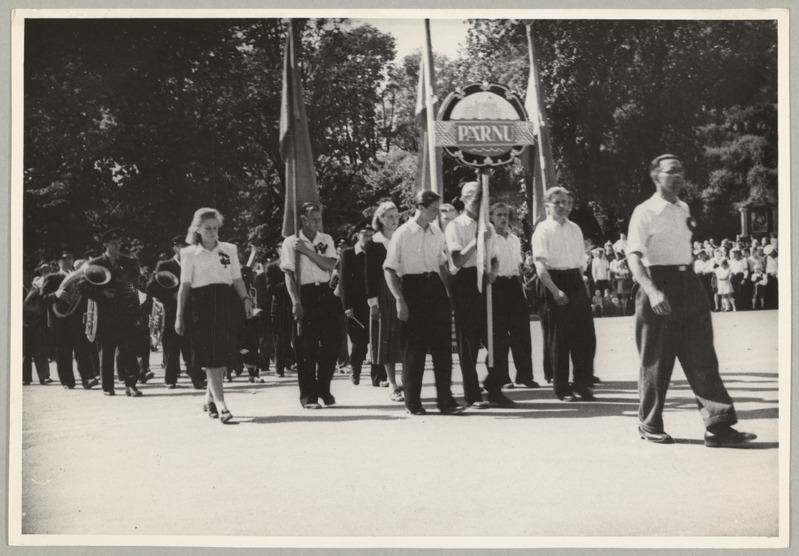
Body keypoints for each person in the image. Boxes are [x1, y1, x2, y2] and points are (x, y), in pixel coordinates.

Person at [627, 154, 755, 447]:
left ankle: (718, 426)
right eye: (671, 171)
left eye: (681, 171)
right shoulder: (644, 211)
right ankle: (649, 423)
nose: (678, 176)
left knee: (702, 356)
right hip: (658, 282)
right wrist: (652, 290)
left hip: (689, 284)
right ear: (655, 175)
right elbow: (633, 256)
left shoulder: (683, 207)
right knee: (656, 360)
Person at [384, 190, 463, 416]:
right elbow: (389, 269)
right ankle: (413, 402)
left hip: (435, 290)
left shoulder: (437, 232)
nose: (436, 214)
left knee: (443, 349)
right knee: (414, 350)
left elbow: (442, 265)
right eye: (433, 210)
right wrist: (400, 300)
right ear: (420, 207)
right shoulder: (402, 233)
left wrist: (450, 295)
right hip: (413, 288)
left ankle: (445, 400)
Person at [175, 208, 252, 424]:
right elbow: (185, 286)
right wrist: (179, 316)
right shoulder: (188, 253)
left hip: (226, 303)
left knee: (223, 354)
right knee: (211, 356)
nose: (212, 232)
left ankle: (210, 397)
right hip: (201, 306)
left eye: (215, 228)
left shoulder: (229, 249)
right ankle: (221, 405)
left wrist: (246, 299)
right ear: (197, 230)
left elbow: (237, 279)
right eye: (208, 228)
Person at [445, 181, 513, 409]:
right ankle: (472, 394)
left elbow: (494, 256)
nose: (479, 201)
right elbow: (457, 260)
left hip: (486, 281)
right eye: (474, 197)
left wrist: (493, 271)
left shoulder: (488, 226)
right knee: (469, 343)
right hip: (465, 281)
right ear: (464, 199)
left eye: (482, 197)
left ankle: (494, 388)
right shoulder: (456, 225)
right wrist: (477, 240)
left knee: (499, 339)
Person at [531, 187, 597, 402]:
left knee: (585, 337)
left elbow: (579, 262)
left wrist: (579, 288)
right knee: (559, 339)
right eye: (558, 202)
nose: (563, 207)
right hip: (553, 280)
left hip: (574, 280)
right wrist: (555, 290)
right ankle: (562, 387)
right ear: (547, 205)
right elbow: (540, 266)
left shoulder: (575, 229)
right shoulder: (543, 230)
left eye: (567, 203)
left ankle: (581, 383)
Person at [280, 202, 343, 409]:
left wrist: (307, 251)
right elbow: (289, 274)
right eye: (313, 219)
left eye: (319, 219)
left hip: (326, 292)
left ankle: (323, 387)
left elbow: (330, 264)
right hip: (304, 293)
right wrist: (296, 301)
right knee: (306, 347)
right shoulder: (291, 242)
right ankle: (309, 395)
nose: (317, 223)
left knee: (332, 344)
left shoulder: (326, 239)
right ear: (303, 219)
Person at [82, 228, 145, 397]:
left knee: (128, 351)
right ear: (105, 245)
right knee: (107, 352)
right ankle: (108, 386)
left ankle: (131, 384)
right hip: (105, 315)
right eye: (114, 243)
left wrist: (138, 312)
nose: (117, 246)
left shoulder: (129, 262)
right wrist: (101, 293)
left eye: (119, 243)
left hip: (126, 314)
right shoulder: (95, 263)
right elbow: (83, 287)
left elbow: (136, 287)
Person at [488, 202, 539, 389]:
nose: (503, 218)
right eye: (499, 215)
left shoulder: (514, 239)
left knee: (522, 332)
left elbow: (517, 267)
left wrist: (522, 290)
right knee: (500, 333)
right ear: (492, 217)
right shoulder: (489, 238)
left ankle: (524, 375)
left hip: (513, 285)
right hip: (496, 285)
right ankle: (503, 377)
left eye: (506, 215)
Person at [147, 235, 204, 390]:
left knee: (191, 346)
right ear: (175, 248)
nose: (185, 250)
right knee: (172, 347)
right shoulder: (165, 265)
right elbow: (151, 287)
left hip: (191, 310)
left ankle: (196, 378)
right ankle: (170, 379)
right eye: (181, 246)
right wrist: (169, 295)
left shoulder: (194, 263)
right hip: (171, 311)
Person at [39, 250, 100, 390]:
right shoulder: (52, 277)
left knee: (83, 350)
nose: (68, 260)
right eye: (64, 258)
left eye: (70, 257)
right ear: (58, 261)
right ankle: (67, 381)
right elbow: (41, 298)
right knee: (63, 352)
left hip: (78, 319)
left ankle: (87, 378)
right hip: (60, 321)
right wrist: (56, 294)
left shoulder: (81, 277)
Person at [365, 201, 404, 401]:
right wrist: (373, 302)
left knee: (405, 337)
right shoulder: (373, 243)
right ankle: (393, 383)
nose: (394, 220)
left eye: (396, 215)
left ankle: (407, 380)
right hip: (383, 292)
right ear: (380, 219)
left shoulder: (402, 236)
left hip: (404, 289)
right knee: (386, 338)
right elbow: (370, 274)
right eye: (389, 216)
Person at [339, 222, 386, 387]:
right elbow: (343, 282)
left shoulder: (379, 251)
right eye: (365, 233)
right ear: (357, 235)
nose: (368, 237)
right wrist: (347, 306)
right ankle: (355, 370)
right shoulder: (348, 254)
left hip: (375, 303)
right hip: (356, 305)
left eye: (371, 234)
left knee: (377, 340)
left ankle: (378, 376)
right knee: (359, 342)